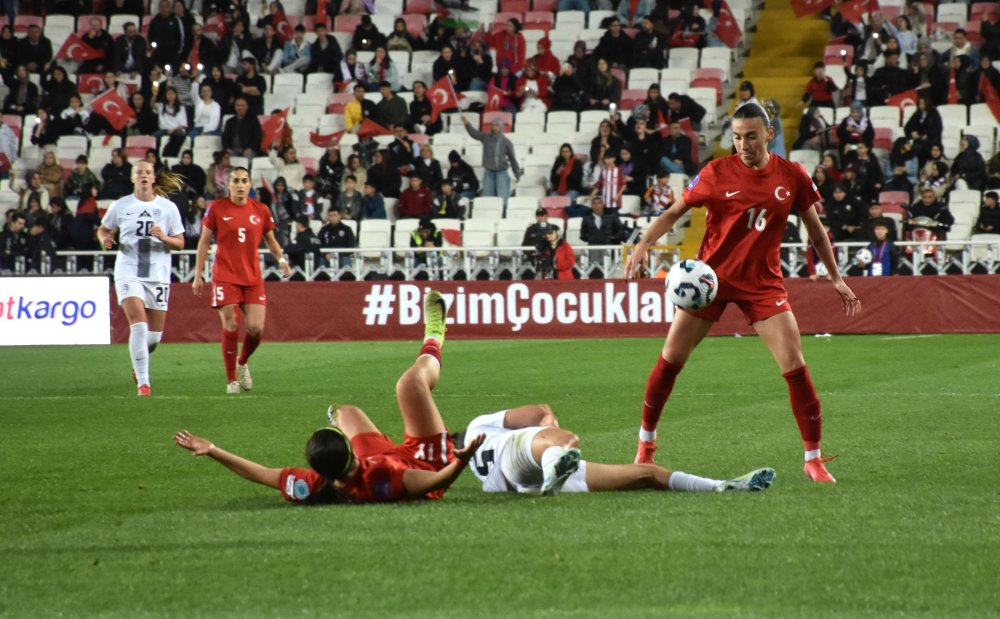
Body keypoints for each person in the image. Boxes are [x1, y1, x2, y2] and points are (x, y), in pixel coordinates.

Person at [624, 101, 862, 483]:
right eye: (736, 137)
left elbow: (815, 230)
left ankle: (813, 459)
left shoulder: (793, 175)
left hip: (762, 284)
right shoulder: (716, 171)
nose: (743, 145)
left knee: (795, 365)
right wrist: (642, 244)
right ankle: (646, 447)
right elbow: (674, 212)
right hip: (709, 283)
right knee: (670, 360)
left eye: (751, 136)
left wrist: (835, 276)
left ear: (769, 133)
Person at [174, 292, 486, 505]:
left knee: (346, 411)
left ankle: (339, 420)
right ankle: (434, 334)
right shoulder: (380, 479)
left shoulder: (313, 485)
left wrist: (213, 449)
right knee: (409, 385)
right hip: (425, 462)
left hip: (378, 458)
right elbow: (434, 483)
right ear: (351, 452)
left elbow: (262, 474)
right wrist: (462, 459)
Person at [463, 405, 774, 495]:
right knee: (564, 438)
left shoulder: (469, 466)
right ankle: (553, 469)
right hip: (516, 456)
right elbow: (536, 411)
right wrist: (549, 421)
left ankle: (722, 486)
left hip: (519, 483)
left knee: (647, 475)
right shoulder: (478, 427)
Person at [192, 167, 293, 394]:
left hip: (252, 277)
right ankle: (231, 381)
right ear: (229, 186)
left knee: (256, 329)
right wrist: (198, 274)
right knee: (231, 324)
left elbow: (271, 240)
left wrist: (281, 260)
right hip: (225, 275)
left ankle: (242, 361)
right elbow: (204, 242)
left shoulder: (261, 210)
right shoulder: (217, 209)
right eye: (235, 181)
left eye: (244, 181)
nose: (239, 185)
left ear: (250, 185)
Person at [95, 162, 185, 396]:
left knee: (153, 339)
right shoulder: (121, 205)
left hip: (157, 275)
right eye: (139, 173)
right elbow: (103, 229)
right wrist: (104, 240)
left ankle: (138, 363)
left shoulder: (168, 208)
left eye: (147, 172)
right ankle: (143, 384)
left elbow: (180, 243)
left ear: (154, 178)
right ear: (133, 178)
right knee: (139, 325)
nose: (143, 176)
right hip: (128, 271)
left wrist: (164, 237)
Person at [461, 115, 523, 209]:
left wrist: (517, 173)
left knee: (503, 200)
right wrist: (467, 124)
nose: (494, 127)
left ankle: (503, 217)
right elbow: (475, 134)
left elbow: (512, 159)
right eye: (492, 125)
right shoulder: (485, 137)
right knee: (487, 199)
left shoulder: (506, 142)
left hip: (501, 172)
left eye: (496, 125)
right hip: (489, 172)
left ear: (501, 127)